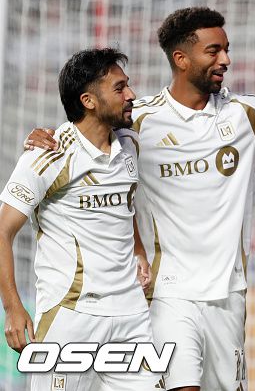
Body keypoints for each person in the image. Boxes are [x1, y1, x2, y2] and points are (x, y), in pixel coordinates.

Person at [25, 7, 255, 391]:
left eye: (226, 49)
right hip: (168, 294)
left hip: (228, 294)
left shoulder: (244, 114)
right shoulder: (138, 122)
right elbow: (87, 140)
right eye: (213, 51)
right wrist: (42, 136)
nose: (225, 60)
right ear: (181, 59)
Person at [0, 48, 159, 390]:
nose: (131, 95)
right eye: (120, 88)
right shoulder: (49, 155)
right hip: (70, 317)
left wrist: (139, 250)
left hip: (131, 314)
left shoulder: (130, 143)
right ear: (88, 100)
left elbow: (124, 206)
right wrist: (12, 307)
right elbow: (2, 233)